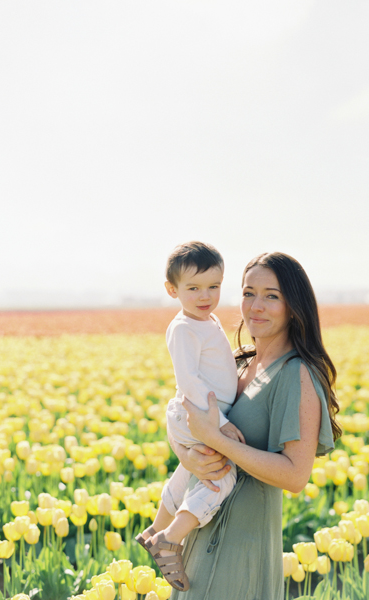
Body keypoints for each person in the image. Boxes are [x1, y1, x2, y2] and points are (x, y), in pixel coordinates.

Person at [167, 251, 340, 599]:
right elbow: (184, 413)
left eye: (271, 296)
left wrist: (218, 438)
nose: (256, 306)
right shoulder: (239, 363)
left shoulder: (297, 375)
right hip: (199, 533)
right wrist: (186, 455)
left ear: (293, 305)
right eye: (248, 293)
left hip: (242, 548)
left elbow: (295, 476)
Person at [137, 241, 244, 592]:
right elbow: (188, 380)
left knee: (190, 469)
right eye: (194, 288)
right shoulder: (183, 328)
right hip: (198, 415)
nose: (205, 295)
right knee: (221, 477)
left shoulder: (205, 320)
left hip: (197, 414)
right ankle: (170, 539)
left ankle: (155, 527)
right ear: (172, 290)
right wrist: (222, 424)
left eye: (213, 286)